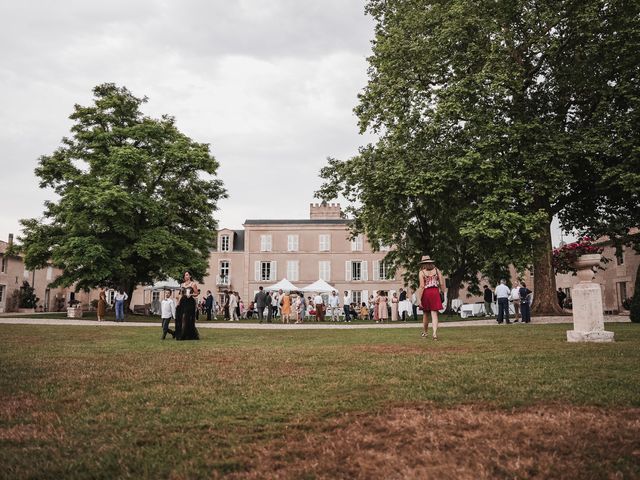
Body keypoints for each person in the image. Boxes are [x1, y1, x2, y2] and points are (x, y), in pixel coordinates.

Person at [418, 255, 445, 340]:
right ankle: (434, 333)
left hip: (426, 293)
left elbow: (422, 286)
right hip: (435, 292)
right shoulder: (437, 270)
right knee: (434, 313)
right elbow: (441, 283)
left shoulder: (422, 272)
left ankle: (425, 332)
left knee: (426, 314)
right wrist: (442, 292)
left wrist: (419, 298)